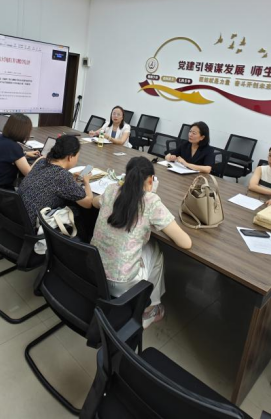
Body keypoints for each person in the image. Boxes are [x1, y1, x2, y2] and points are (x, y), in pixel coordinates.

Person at [91, 157, 192, 328]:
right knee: (157, 251)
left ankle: (149, 305)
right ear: (151, 180)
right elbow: (185, 242)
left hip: (93, 269)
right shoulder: (150, 201)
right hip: (121, 283)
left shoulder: (111, 189)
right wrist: (150, 194)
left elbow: (94, 203)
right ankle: (150, 310)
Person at [18, 135, 93, 227]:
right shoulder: (62, 176)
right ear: (70, 157)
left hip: (15, 215)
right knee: (78, 210)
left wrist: (71, 178)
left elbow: (51, 183)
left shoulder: (42, 162)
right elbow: (88, 203)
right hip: (30, 224)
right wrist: (86, 182)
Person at [0, 114, 39, 209]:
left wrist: (25, 154)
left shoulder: (0, 139)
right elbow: (29, 174)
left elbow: (7, 154)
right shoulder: (14, 147)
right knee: (33, 196)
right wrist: (40, 159)